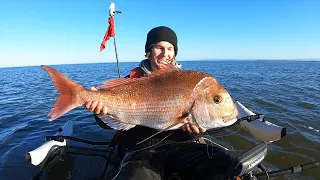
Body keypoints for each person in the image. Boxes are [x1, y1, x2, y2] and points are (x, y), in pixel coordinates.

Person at [84, 26, 232, 180]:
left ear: (175, 53)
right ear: (149, 51)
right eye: (159, 48)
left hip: (180, 148)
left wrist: (193, 131)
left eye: (170, 49)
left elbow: (194, 122)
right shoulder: (129, 82)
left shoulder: (188, 82)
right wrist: (99, 111)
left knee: (222, 166)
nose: (165, 54)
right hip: (141, 152)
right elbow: (107, 124)